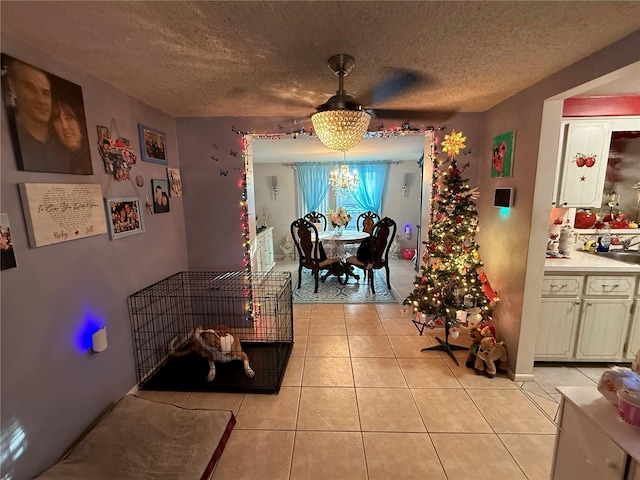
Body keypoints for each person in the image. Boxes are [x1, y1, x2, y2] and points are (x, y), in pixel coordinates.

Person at [3, 56, 66, 172]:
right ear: (13, 87)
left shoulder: (63, 142)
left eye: (46, 93)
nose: (41, 100)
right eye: (30, 88)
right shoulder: (9, 140)